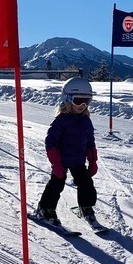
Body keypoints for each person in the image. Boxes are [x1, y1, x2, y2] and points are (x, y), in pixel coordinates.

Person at [36, 77, 99, 226]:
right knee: (56, 184)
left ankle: (86, 207)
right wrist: (56, 164)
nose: (82, 105)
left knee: (86, 184)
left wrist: (93, 161)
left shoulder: (86, 120)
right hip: (61, 161)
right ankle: (45, 209)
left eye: (87, 101)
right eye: (78, 101)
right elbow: (50, 143)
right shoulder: (61, 120)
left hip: (78, 161)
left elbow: (90, 142)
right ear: (67, 99)